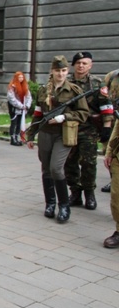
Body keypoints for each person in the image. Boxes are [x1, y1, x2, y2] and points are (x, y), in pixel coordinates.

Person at [25, 55, 89, 223]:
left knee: (56, 168)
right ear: (51, 71)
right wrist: (31, 134)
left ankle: (64, 206)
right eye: (57, 71)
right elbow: (38, 114)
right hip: (46, 133)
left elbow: (83, 113)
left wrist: (65, 117)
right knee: (46, 169)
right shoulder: (43, 90)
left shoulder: (74, 90)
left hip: (63, 134)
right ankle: (50, 203)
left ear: (67, 71)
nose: (60, 74)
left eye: (63, 71)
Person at [65, 52, 114, 210]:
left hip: (89, 130)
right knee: (69, 162)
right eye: (78, 63)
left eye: (85, 63)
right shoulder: (66, 83)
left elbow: (106, 106)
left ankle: (89, 194)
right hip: (69, 128)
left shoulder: (97, 83)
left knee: (89, 163)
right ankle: (75, 192)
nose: (81, 66)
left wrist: (107, 127)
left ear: (90, 65)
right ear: (73, 65)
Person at [101, 69, 119, 193]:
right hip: (113, 119)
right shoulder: (112, 76)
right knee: (109, 152)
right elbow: (102, 92)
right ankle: (113, 180)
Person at [7, 72, 33, 146]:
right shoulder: (12, 87)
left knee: (19, 123)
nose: (21, 79)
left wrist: (27, 105)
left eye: (22, 77)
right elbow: (11, 98)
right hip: (14, 108)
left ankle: (17, 137)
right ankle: (13, 139)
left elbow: (28, 97)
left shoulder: (25, 86)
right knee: (14, 122)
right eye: (19, 77)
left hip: (22, 108)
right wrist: (20, 106)